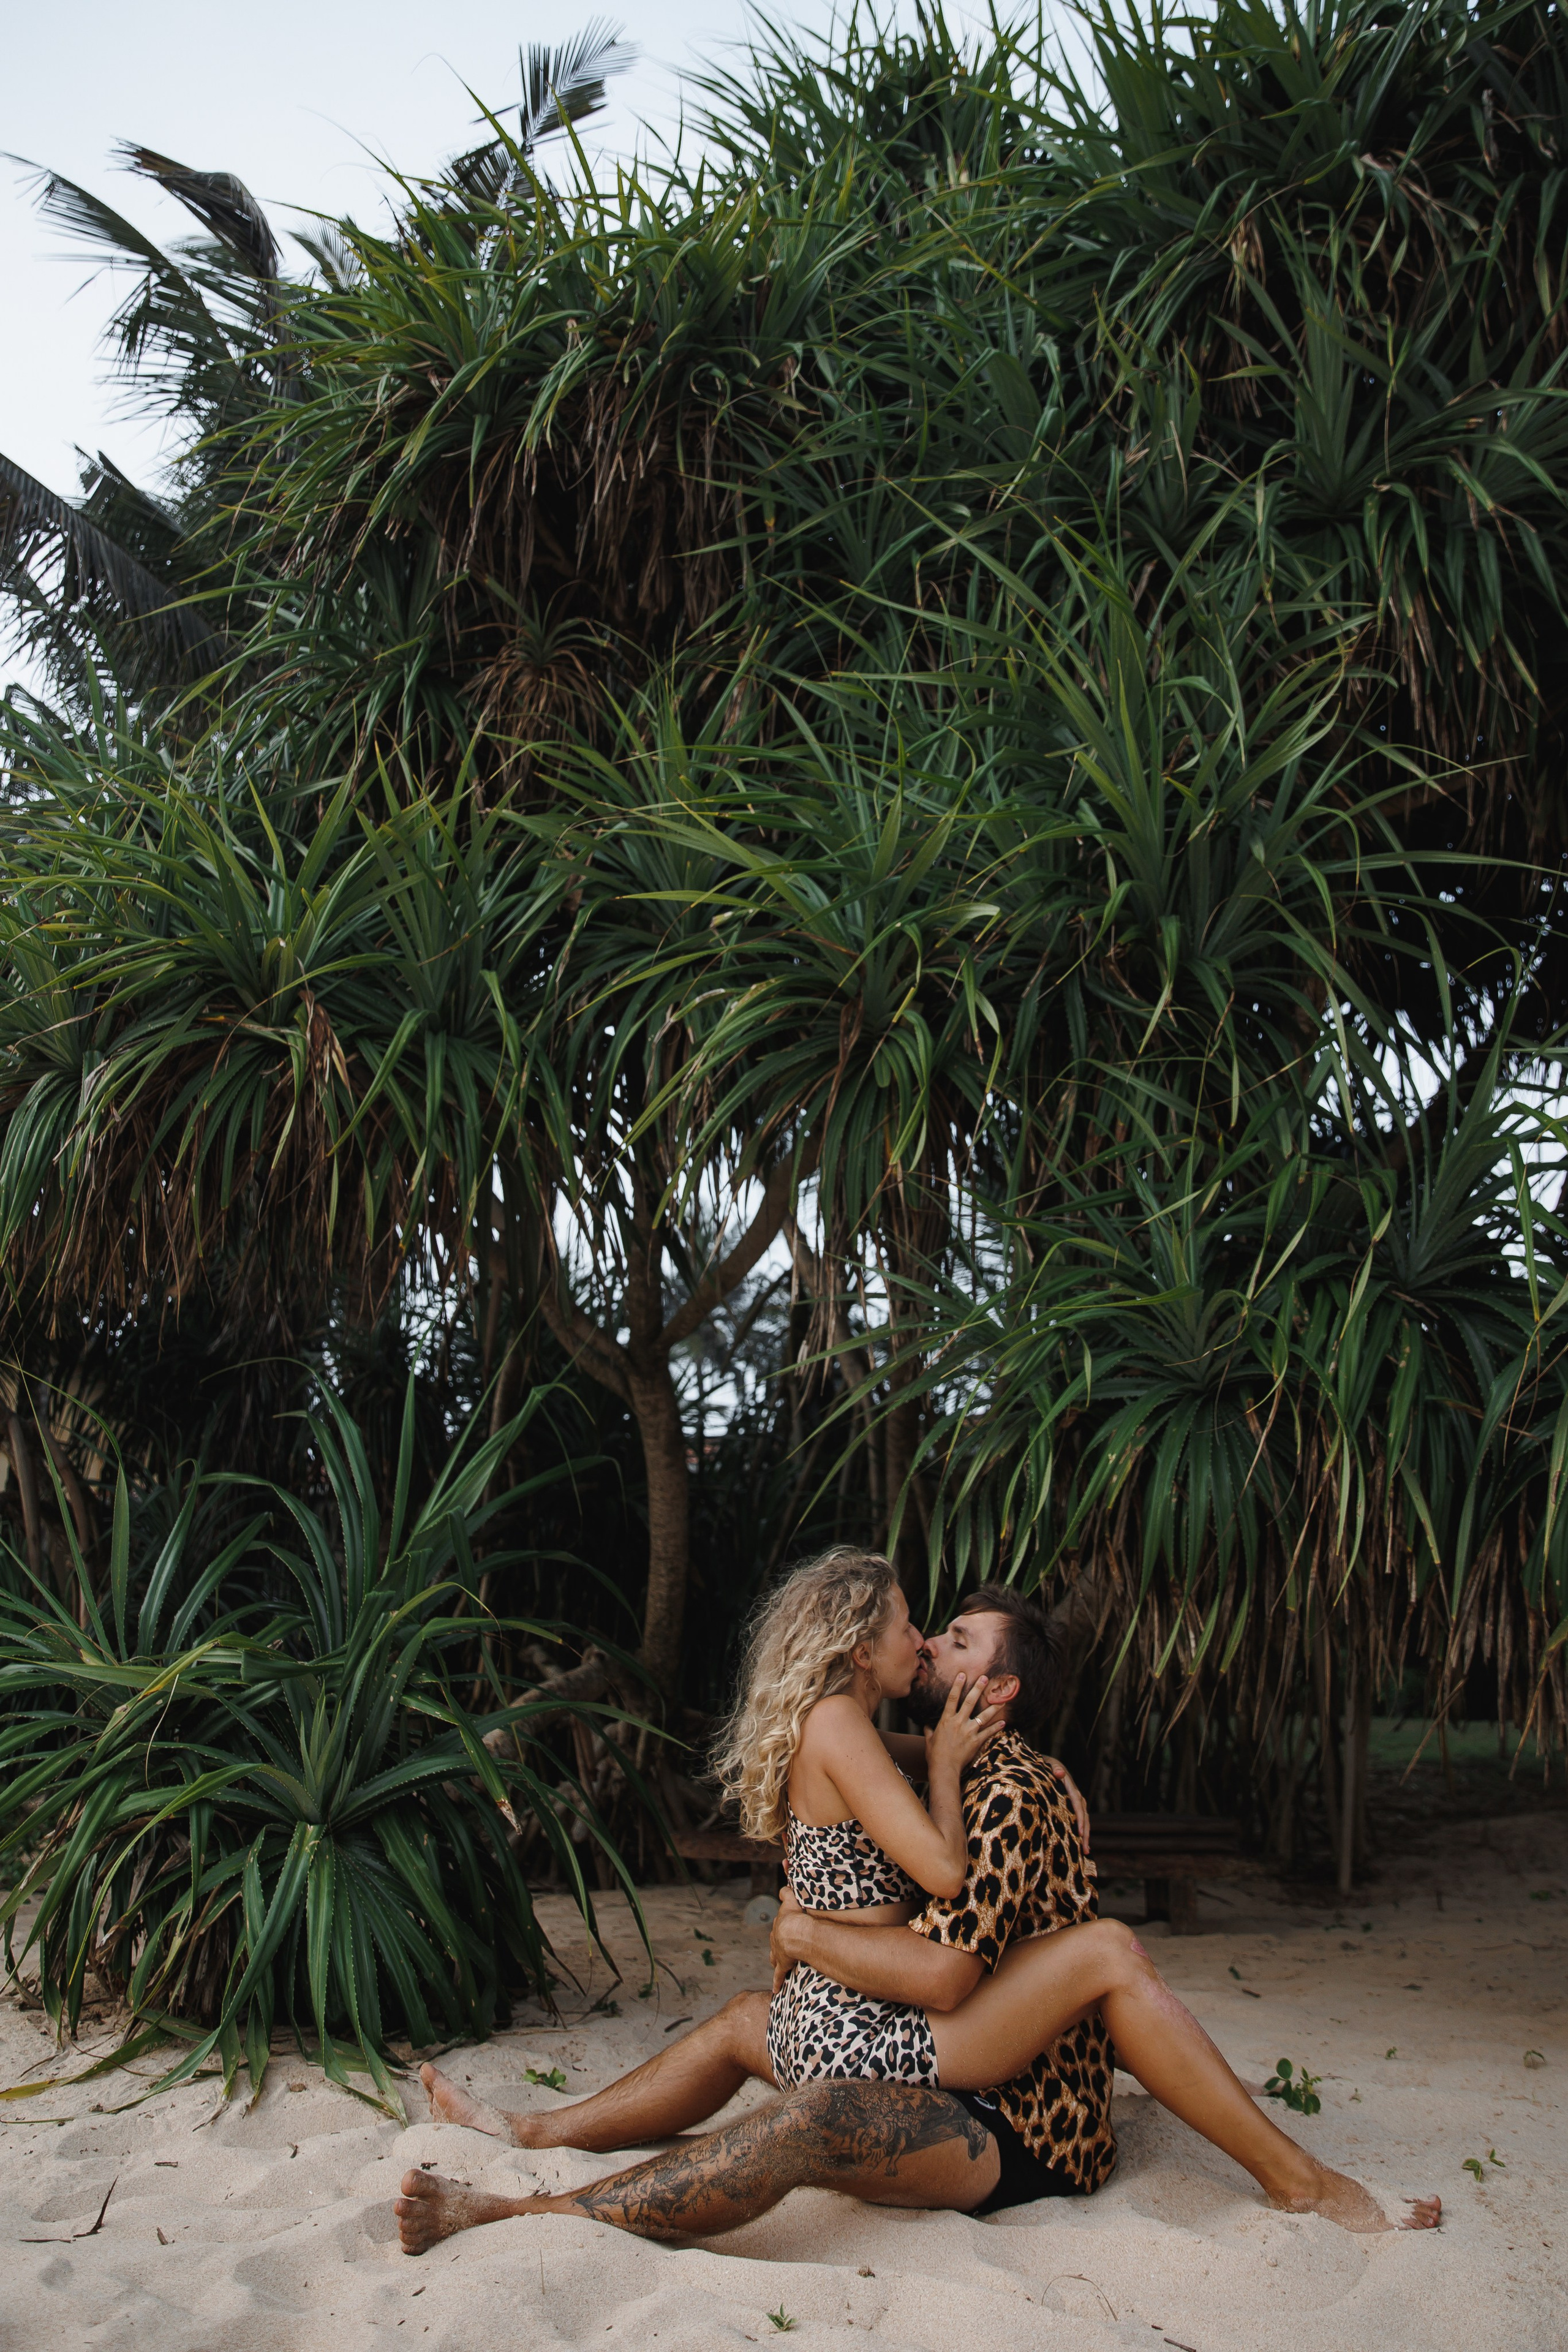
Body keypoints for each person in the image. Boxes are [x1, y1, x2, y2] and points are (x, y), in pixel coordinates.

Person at [398, 1554, 1440, 2251]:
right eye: (918, 1629)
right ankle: (534, 2166)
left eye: (948, 1640)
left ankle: (534, 2169)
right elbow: (934, 1915)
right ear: (866, 1649)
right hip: (894, 2040)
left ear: (993, 1695)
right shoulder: (903, 1750)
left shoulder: (950, 1768)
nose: (927, 1643)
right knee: (766, 2032)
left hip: (949, 2086)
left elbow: (936, 1929)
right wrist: (830, 1894)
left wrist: (808, 1922)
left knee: (769, 2060)